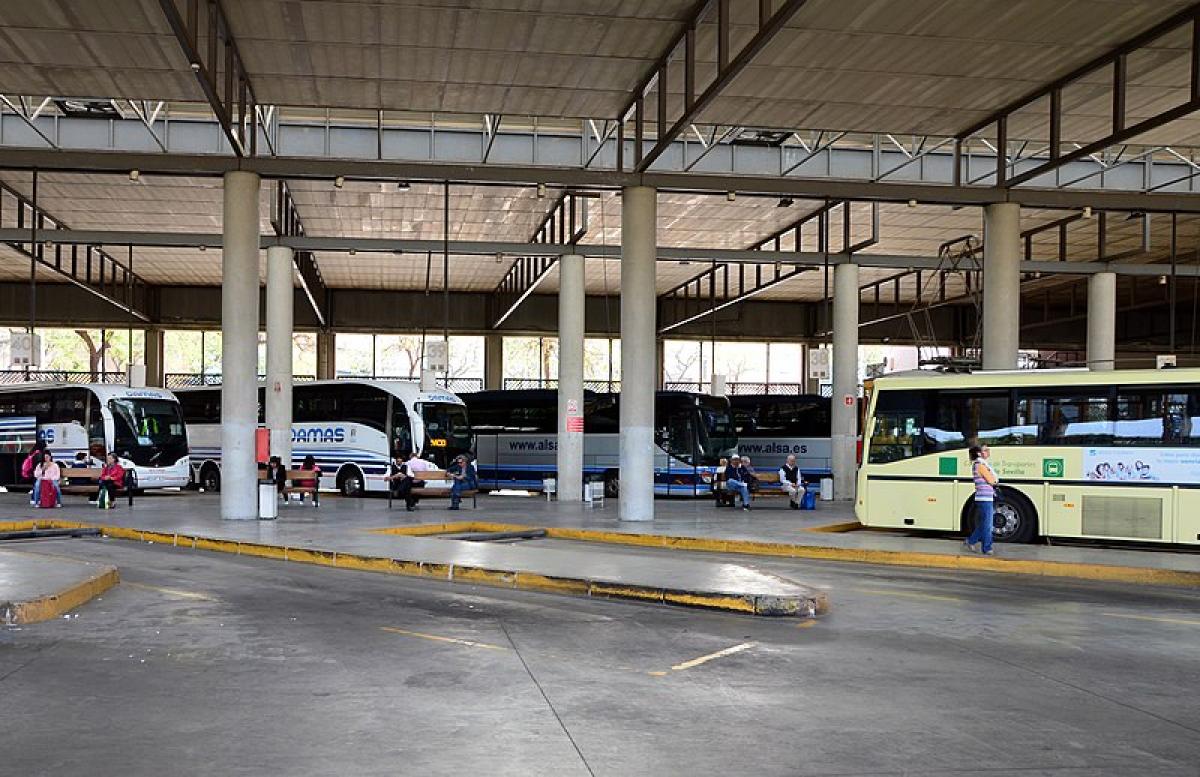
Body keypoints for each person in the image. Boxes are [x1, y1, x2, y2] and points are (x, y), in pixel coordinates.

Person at [964, 444, 999, 556]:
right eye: (985, 450)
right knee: (988, 525)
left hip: (984, 497)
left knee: (985, 523)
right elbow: (992, 481)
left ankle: (971, 541)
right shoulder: (981, 466)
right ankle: (987, 548)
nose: (988, 452)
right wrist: (994, 481)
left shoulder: (980, 465)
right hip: (985, 498)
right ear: (979, 453)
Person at [23, 440, 46, 506]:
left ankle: (33, 499)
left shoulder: (33, 452)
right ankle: (36, 499)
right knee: (37, 486)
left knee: (35, 485)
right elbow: (38, 464)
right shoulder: (39, 454)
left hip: (33, 471)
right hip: (37, 472)